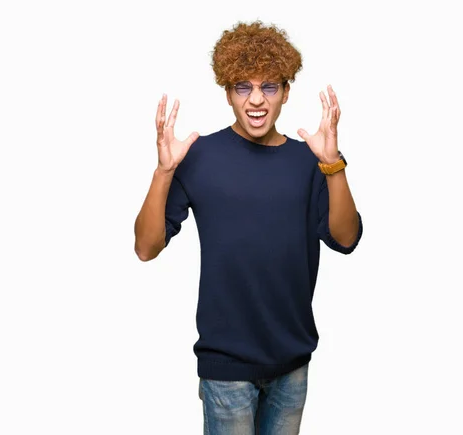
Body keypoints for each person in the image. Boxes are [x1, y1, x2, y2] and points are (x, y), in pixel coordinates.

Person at [134, 20, 363, 435]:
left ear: (286, 92)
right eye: (243, 86)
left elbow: (346, 239)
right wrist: (163, 171)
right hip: (227, 368)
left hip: (292, 364)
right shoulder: (199, 156)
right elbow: (146, 247)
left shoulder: (311, 161)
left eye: (269, 87)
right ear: (227, 91)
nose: (256, 100)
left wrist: (333, 166)